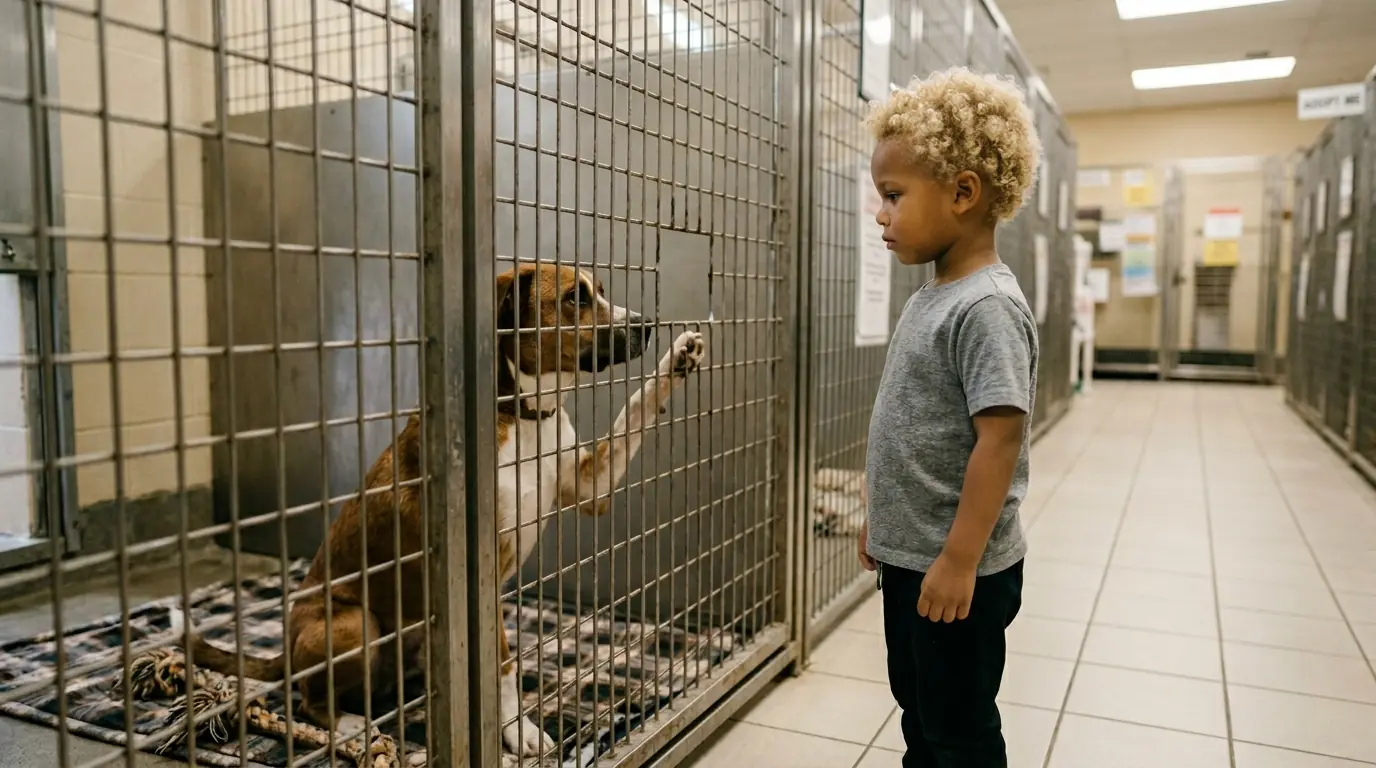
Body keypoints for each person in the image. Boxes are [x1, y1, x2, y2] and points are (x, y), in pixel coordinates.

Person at [858, 67, 1041, 767]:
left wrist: (960, 561)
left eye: (893, 195)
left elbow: (999, 441)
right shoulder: (930, 296)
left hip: (958, 569)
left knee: (959, 727)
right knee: (918, 705)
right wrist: (883, 519)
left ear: (963, 193)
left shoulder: (986, 307)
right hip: (913, 557)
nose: (881, 214)